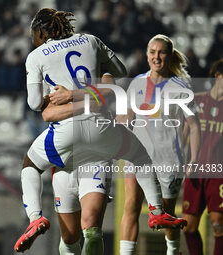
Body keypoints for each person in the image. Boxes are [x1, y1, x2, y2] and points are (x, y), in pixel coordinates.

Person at [15, 9, 186, 253]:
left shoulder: (36, 57)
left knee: (31, 166)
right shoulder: (91, 40)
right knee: (140, 156)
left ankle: (34, 217)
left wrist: (58, 96)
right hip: (99, 130)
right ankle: (157, 212)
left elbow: (36, 106)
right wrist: (96, 85)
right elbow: (118, 71)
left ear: (41, 32)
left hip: (68, 137)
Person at [116, 34, 201, 255]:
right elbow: (129, 117)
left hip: (168, 159)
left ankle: (172, 252)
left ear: (169, 55)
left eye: (161, 52)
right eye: (152, 52)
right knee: (131, 207)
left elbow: (194, 125)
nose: (156, 56)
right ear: (147, 55)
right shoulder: (137, 83)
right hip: (137, 157)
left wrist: (193, 159)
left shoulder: (180, 88)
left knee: (166, 215)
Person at [182, 59, 223, 255]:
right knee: (188, 226)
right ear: (218, 76)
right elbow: (183, 133)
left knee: (218, 223)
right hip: (195, 172)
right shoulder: (196, 101)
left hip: (218, 174)